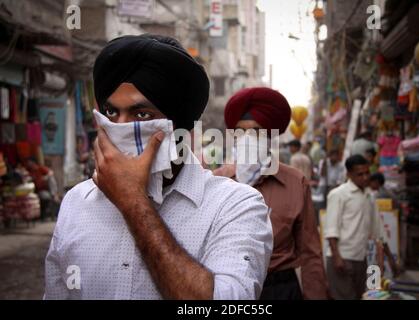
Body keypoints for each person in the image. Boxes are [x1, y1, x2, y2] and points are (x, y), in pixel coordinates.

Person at [45, 35, 273, 300]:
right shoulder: (76, 202)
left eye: (142, 115)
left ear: (179, 126)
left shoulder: (235, 206)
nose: (121, 127)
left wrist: (133, 203)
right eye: (110, 113)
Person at [214, 87, 328, 300]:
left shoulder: (295, 182)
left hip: (281, 289)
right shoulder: (218, 182)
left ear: (269, 137)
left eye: (256, 131)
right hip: (228, 289)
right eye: (241, 131)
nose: (247, 138)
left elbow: (310, 252)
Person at [324, 155, 384, 300]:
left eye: (367, 173)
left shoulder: (370, 195)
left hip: (362, 259)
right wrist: (337, 257)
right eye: (360, 174)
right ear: (349, 174)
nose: (365, 177)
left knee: (360, 296)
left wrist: (380, 262)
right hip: (342, 257)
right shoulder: (338, 194)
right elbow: (331, 230)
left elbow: (377, 232)